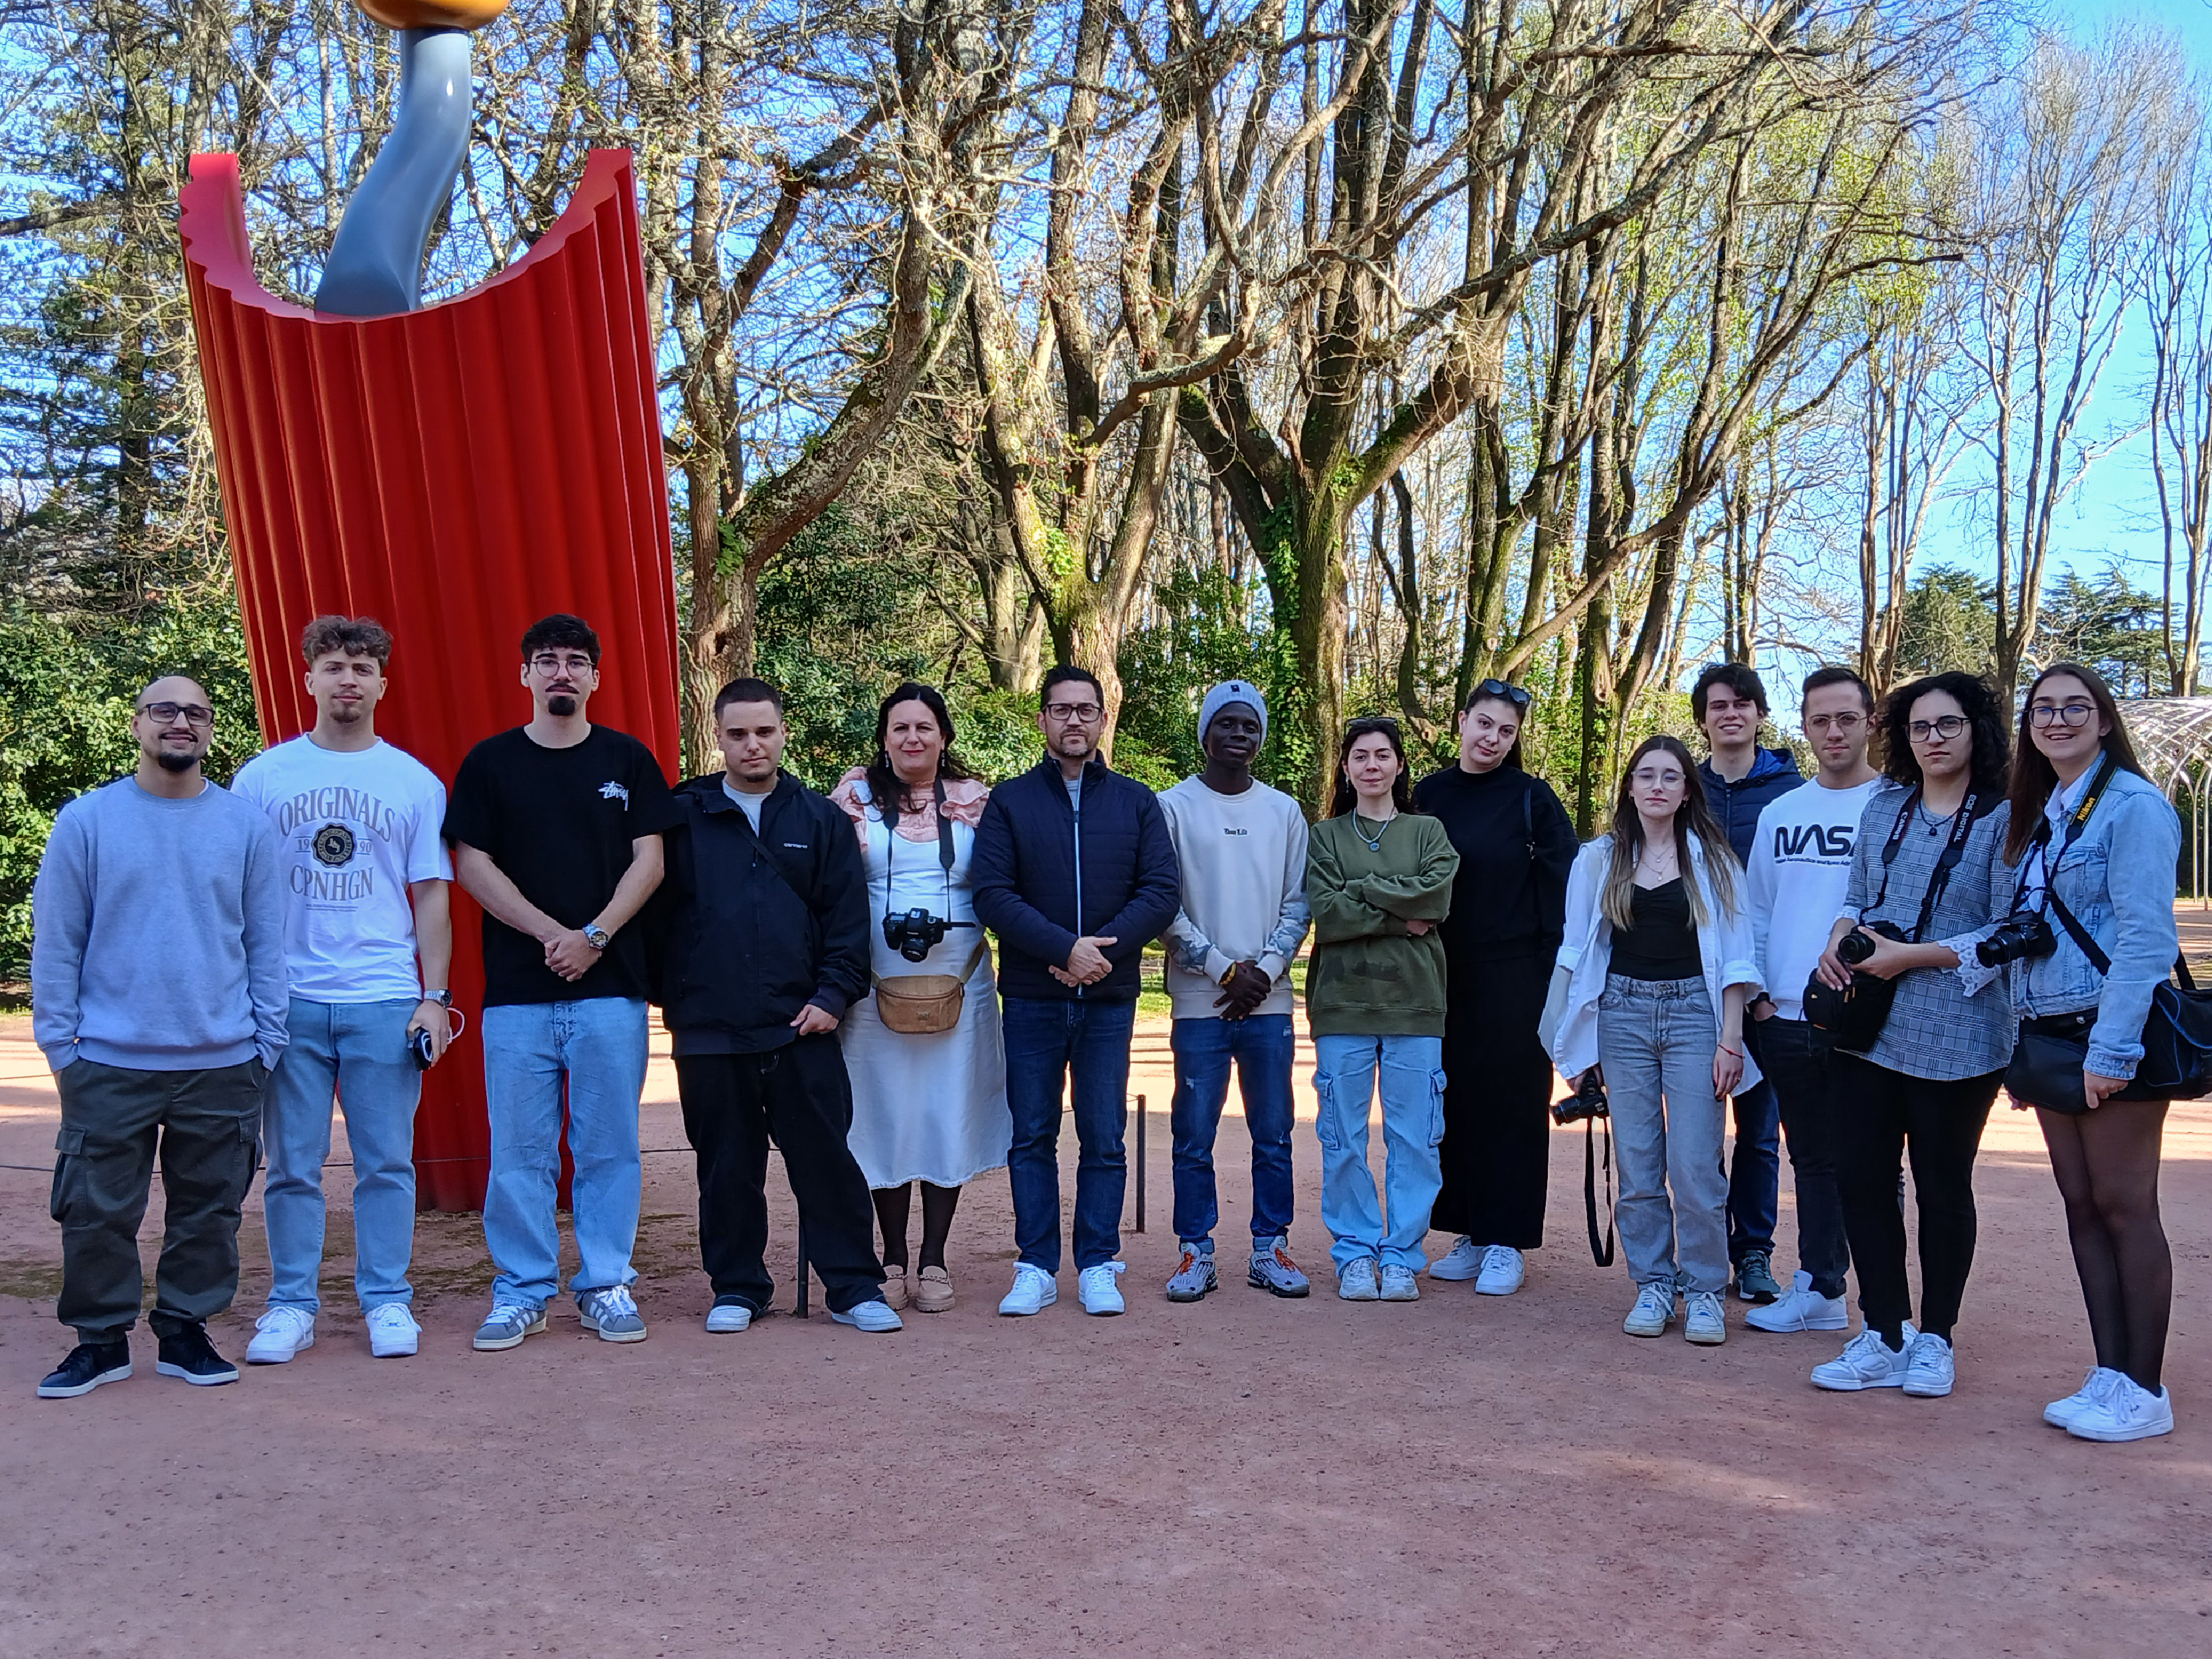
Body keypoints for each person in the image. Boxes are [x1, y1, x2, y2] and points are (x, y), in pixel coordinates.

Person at [33, 676, 287, 1398]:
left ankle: (184, 1331)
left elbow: (268, 943)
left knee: (209, 1211)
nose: (181, 722)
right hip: (108, 1059)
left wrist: (265, 1043)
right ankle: (100, 1342)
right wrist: (62, 1050)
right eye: (165, 710)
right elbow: (57, 942)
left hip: (224, 1058)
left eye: (196, 712)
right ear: (138, 723)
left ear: (209, 730)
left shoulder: (245, 826)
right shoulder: (87, 821)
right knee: (95, 1212)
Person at [444, 613, 677, 1351]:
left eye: (576, 661)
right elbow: (471, 865)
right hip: (518, 995)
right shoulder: (490, 763)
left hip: (611, 990)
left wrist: (594, 936)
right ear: (526, 674)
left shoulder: (627, 759)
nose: (561, 672)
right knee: (520, 1152)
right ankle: (522, 1290)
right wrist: (554, 935)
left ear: (595, 677)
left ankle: (606, 1283)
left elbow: (651, 861)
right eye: (547, 660)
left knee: (609, 1149)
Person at [230, 616, 454, 1366]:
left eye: (362, 667)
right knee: (291, 1164)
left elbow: (430, 893)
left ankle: (387, 1298)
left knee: (386, 1163)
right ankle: (291, 1305)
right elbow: (237, 891)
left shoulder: (413, 782)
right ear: (309, 680)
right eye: (334, 666)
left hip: (383, 997)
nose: (348, 679)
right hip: (288, 998)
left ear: (383, 683)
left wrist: (435, 995)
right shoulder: (263, 778)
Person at [661, 679, 901, 1334]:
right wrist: (680, 996)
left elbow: (847, 922)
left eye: (764, 731)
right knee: (726, 1168)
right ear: (717, 736)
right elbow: (657, 920)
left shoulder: (820, 820)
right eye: (738, 733)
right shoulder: (681, 816)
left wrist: (831, 995)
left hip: (804, 1027)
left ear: (783, 733)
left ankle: (854, 1288)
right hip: (710, 1031)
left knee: (827, 1164)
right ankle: (738, 1287)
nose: (752, 745)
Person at [1808, 672, 2013, 1400]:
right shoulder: (1886, 806)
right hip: (1867, 1022)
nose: (1933, 739)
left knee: (1942, 1187)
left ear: (1976, 730)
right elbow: (1859, 894)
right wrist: (1839, 937)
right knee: (1862, 1179)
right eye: (1919, 727)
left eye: (1948, 725)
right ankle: (1883, 1331)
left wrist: (1909, 957)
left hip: (1960, 1033)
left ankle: (1936, 1337)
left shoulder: (2005, 817)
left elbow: (2006, 929)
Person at [2000, 664, 2182, 1442]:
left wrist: (2111, 1051)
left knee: (2124, 1205)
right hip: (2050, 1031)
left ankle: (2144, 1387)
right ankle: (2109, 1373)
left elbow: (2146, 939)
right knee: (2081, 1205)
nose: (2057, 719)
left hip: (2108, 1035)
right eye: (2043, 708)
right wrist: (2022, 1045)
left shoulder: (2133, 806)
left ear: (2104, 720)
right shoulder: (2045, 810)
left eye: (2075, 707)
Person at [971, 665, 1181, 1317]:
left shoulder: (1137, 802)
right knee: (1031, 1135)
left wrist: (1097, 956)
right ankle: (1035, 1265)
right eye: (1060, 710)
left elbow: (1161, 891)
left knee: (1104, 1135)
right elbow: (992, 894)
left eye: (1085, 710)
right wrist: (1063, 950)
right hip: (1031, 997)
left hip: (1109, 1001)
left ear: (1101, 719)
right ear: (1042, 719)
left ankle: (1097, 1262)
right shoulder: (1010, 802)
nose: (1073, 721)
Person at [1550, 735, 1758, 1345]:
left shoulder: (1714, 861)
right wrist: (1576, 1045)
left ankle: (1704, 1289)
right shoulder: (1599, 859)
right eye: (1646, 775)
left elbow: (1738, 956)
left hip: (1696, 1015)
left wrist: (1731, 1039)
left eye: (1671, 776)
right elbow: (1576, 952)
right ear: (1631, 787)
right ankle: (1653, 1285)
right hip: (1621, 1014)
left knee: (1695, 1166)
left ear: (1687, 790)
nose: (1658, 786)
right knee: (1638, 1164)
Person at [829, 682, 1010, 1315]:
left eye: (924, 727)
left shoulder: (976, 803)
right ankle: (891, 1255)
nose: (912, 738)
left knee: (945, 1111)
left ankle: (934, 1256)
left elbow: (1004, 884)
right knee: (883, 1114)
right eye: (900, 727)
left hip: (962, 987)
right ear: (884, 738)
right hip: (871, 989)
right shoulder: (853, 799)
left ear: (944, 736)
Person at [1415, 680, 1575, 1296]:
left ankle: (1506, 1238)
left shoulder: (1533, 799)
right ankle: (1470, 1231)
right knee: (1452, 1100)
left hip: (1517, 972)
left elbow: (1564, 892)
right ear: (1462, 721)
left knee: (1512, 1102)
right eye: (1484, 724)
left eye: (1507, 731)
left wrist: (1555, 975)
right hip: (1439, 970)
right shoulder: (1426, 796)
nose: (1493, 739)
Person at [1156, 680, 1313, 1303]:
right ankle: (1196, 1252)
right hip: (1201, 1003)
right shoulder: (1171, 807)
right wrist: (1223, 970)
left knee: (1273, 1134)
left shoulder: (1285, 811)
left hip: (1268, 1005)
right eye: (1226, 723)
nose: (1239, 735)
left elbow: (1299, 903)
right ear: (1205, 733)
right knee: (1193, 1136)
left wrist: (1265, 971)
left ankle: (1269, 1247)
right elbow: (1163, 903)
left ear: (1261, 736)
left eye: (1250, 725)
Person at [1740, 666, 1884, 1336]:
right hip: (1786, 1017)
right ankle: (1822, 1288)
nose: (1833, 732)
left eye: (1846, 718)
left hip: (1866, 1018)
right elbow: (1757, 910)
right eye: (1820, 720)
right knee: (1812, 1158)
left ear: (1870, 723)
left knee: (1873, 1164)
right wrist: (1761, 1000)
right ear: (1803, 727)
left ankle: (1886, 1309)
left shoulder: (1896, 807)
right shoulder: (1782, 812)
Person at [1304, 717, 1460, 1303]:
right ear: (1345, 769)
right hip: (1341, 1006)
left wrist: (1362, 889)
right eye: (1360, 757)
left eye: (1382, 755)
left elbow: (1436, 899)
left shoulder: (1428, 831)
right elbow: (1327, 912)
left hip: (1416, 1005)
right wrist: (1399, 911)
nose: (1372, 766)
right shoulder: (1325, 836)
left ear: (1399, 765)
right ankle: (1354, 1253)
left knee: (1414, 1140)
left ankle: (1400, 1256)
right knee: (1343, 1138)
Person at [1692, 661, 1800, 1307]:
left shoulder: (1793, 794)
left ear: (1760, 713)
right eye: (1717, 705)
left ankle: (1753, 1252)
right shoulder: (1684, 787)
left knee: (1759, 1130)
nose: (1730, 714)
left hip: (1768, 988)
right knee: (1698, 1131)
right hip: (1694, 985)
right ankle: (1702, 1251)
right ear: (1703, 719)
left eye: (1741, 703)